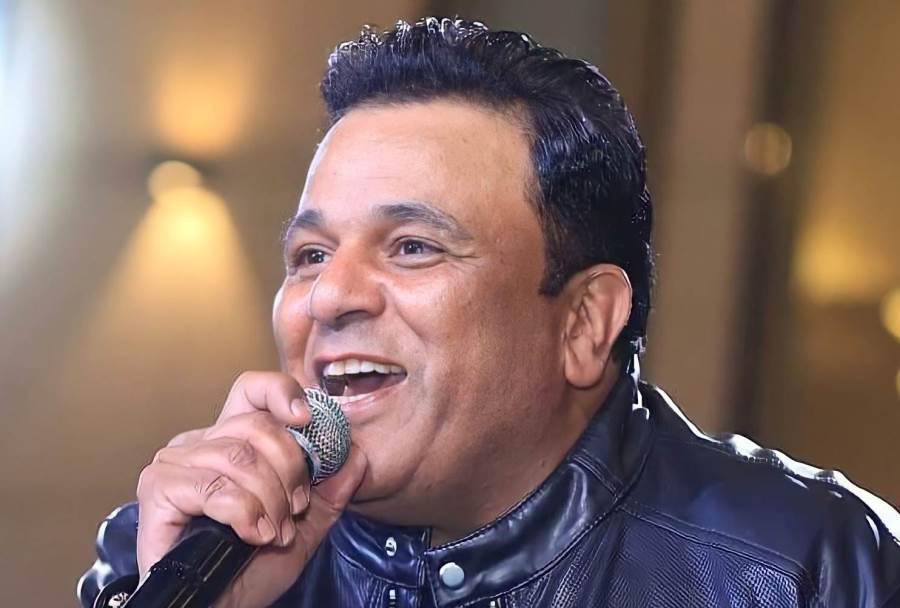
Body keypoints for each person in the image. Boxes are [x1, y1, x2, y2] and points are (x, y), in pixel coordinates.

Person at [78, 17, 900, 608]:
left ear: (584, 323)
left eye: (412, 247)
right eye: (312, 255)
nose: (329, 296)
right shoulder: (182, 551)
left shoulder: (806, 570)